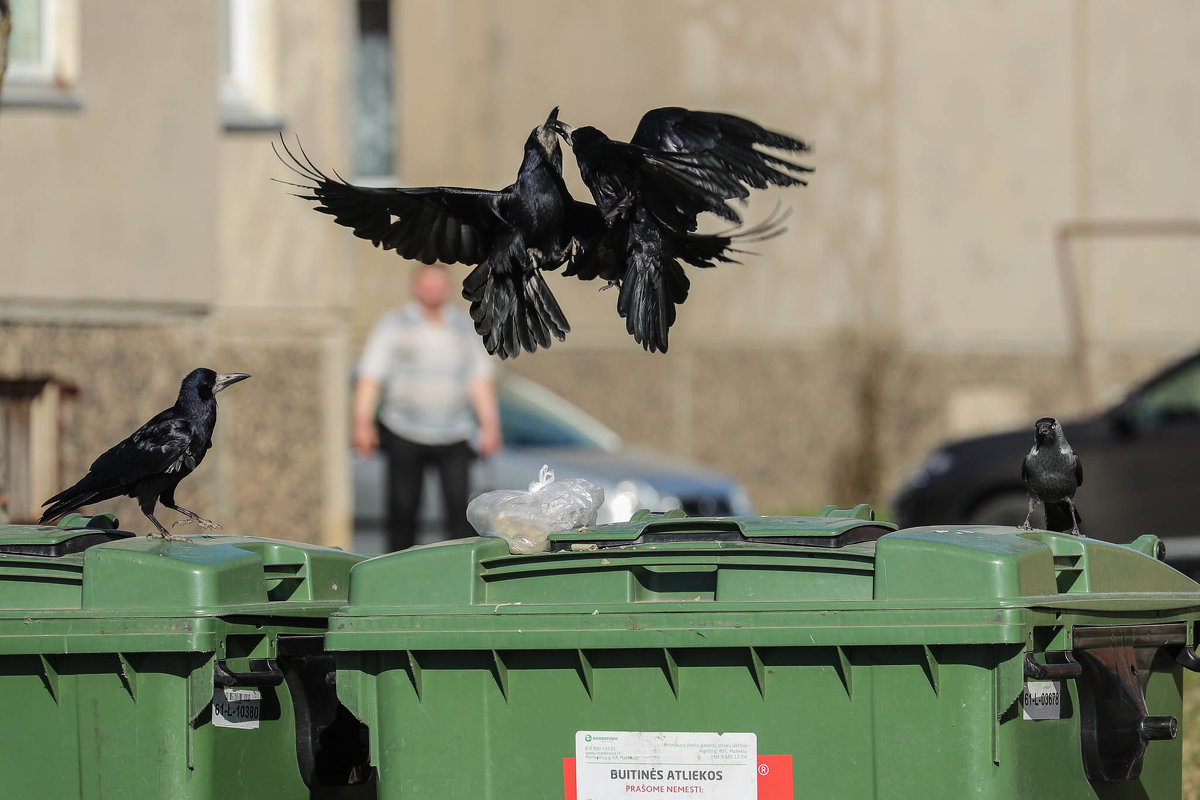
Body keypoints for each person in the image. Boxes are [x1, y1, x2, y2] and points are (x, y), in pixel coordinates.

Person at [353, 262, 501, 551]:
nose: (433, 290)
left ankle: (458, 577)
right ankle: (397, 577)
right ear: (416, 286)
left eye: (439, 284)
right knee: (402, 512)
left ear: (447, 287)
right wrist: (362, 423)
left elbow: (479, 380)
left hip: (455, 433)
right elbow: (370, 377)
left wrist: (490, 425)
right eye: (427, 283)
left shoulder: (463, 326)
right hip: (403, 430)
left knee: (460, 515)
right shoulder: (393, 324)